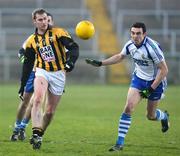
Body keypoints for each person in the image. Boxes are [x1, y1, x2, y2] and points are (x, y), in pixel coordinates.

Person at [85, 22, 169, 151]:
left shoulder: (152, 47)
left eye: (138, 33)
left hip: (155, 82)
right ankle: (119, 143)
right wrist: (101, 63)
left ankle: (164, 117)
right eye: (133, 33)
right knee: (128, 108)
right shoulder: (130, 44)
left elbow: (164, 70)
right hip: (139, 80)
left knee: (150, 116)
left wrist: (151, 89)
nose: (135, 36)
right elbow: (120, 57)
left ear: (144, 34)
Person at [17, 8, 79, 150]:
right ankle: (35, 132)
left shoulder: (59, 33)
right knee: (37, 99)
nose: (44, 22)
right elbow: (27, 65)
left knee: (50, 111)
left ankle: (39, 134)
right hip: (42, 71)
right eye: (40, 19)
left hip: (58, 74)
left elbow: (74, 48)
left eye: (45, 19)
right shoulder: (32, 41)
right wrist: (22, 85)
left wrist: (71, 62)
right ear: (34, 21)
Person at [10, 13, 54, 141]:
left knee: (37, 102)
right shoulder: (33, 38)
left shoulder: (57, 38)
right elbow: (21, 51)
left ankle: (23, 127)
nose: (46, 23)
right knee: (25, 102)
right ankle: (16, 128)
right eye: (43, 20)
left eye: (48, 20)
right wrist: (27, 61)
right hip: (34, 72)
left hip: (48, 74)